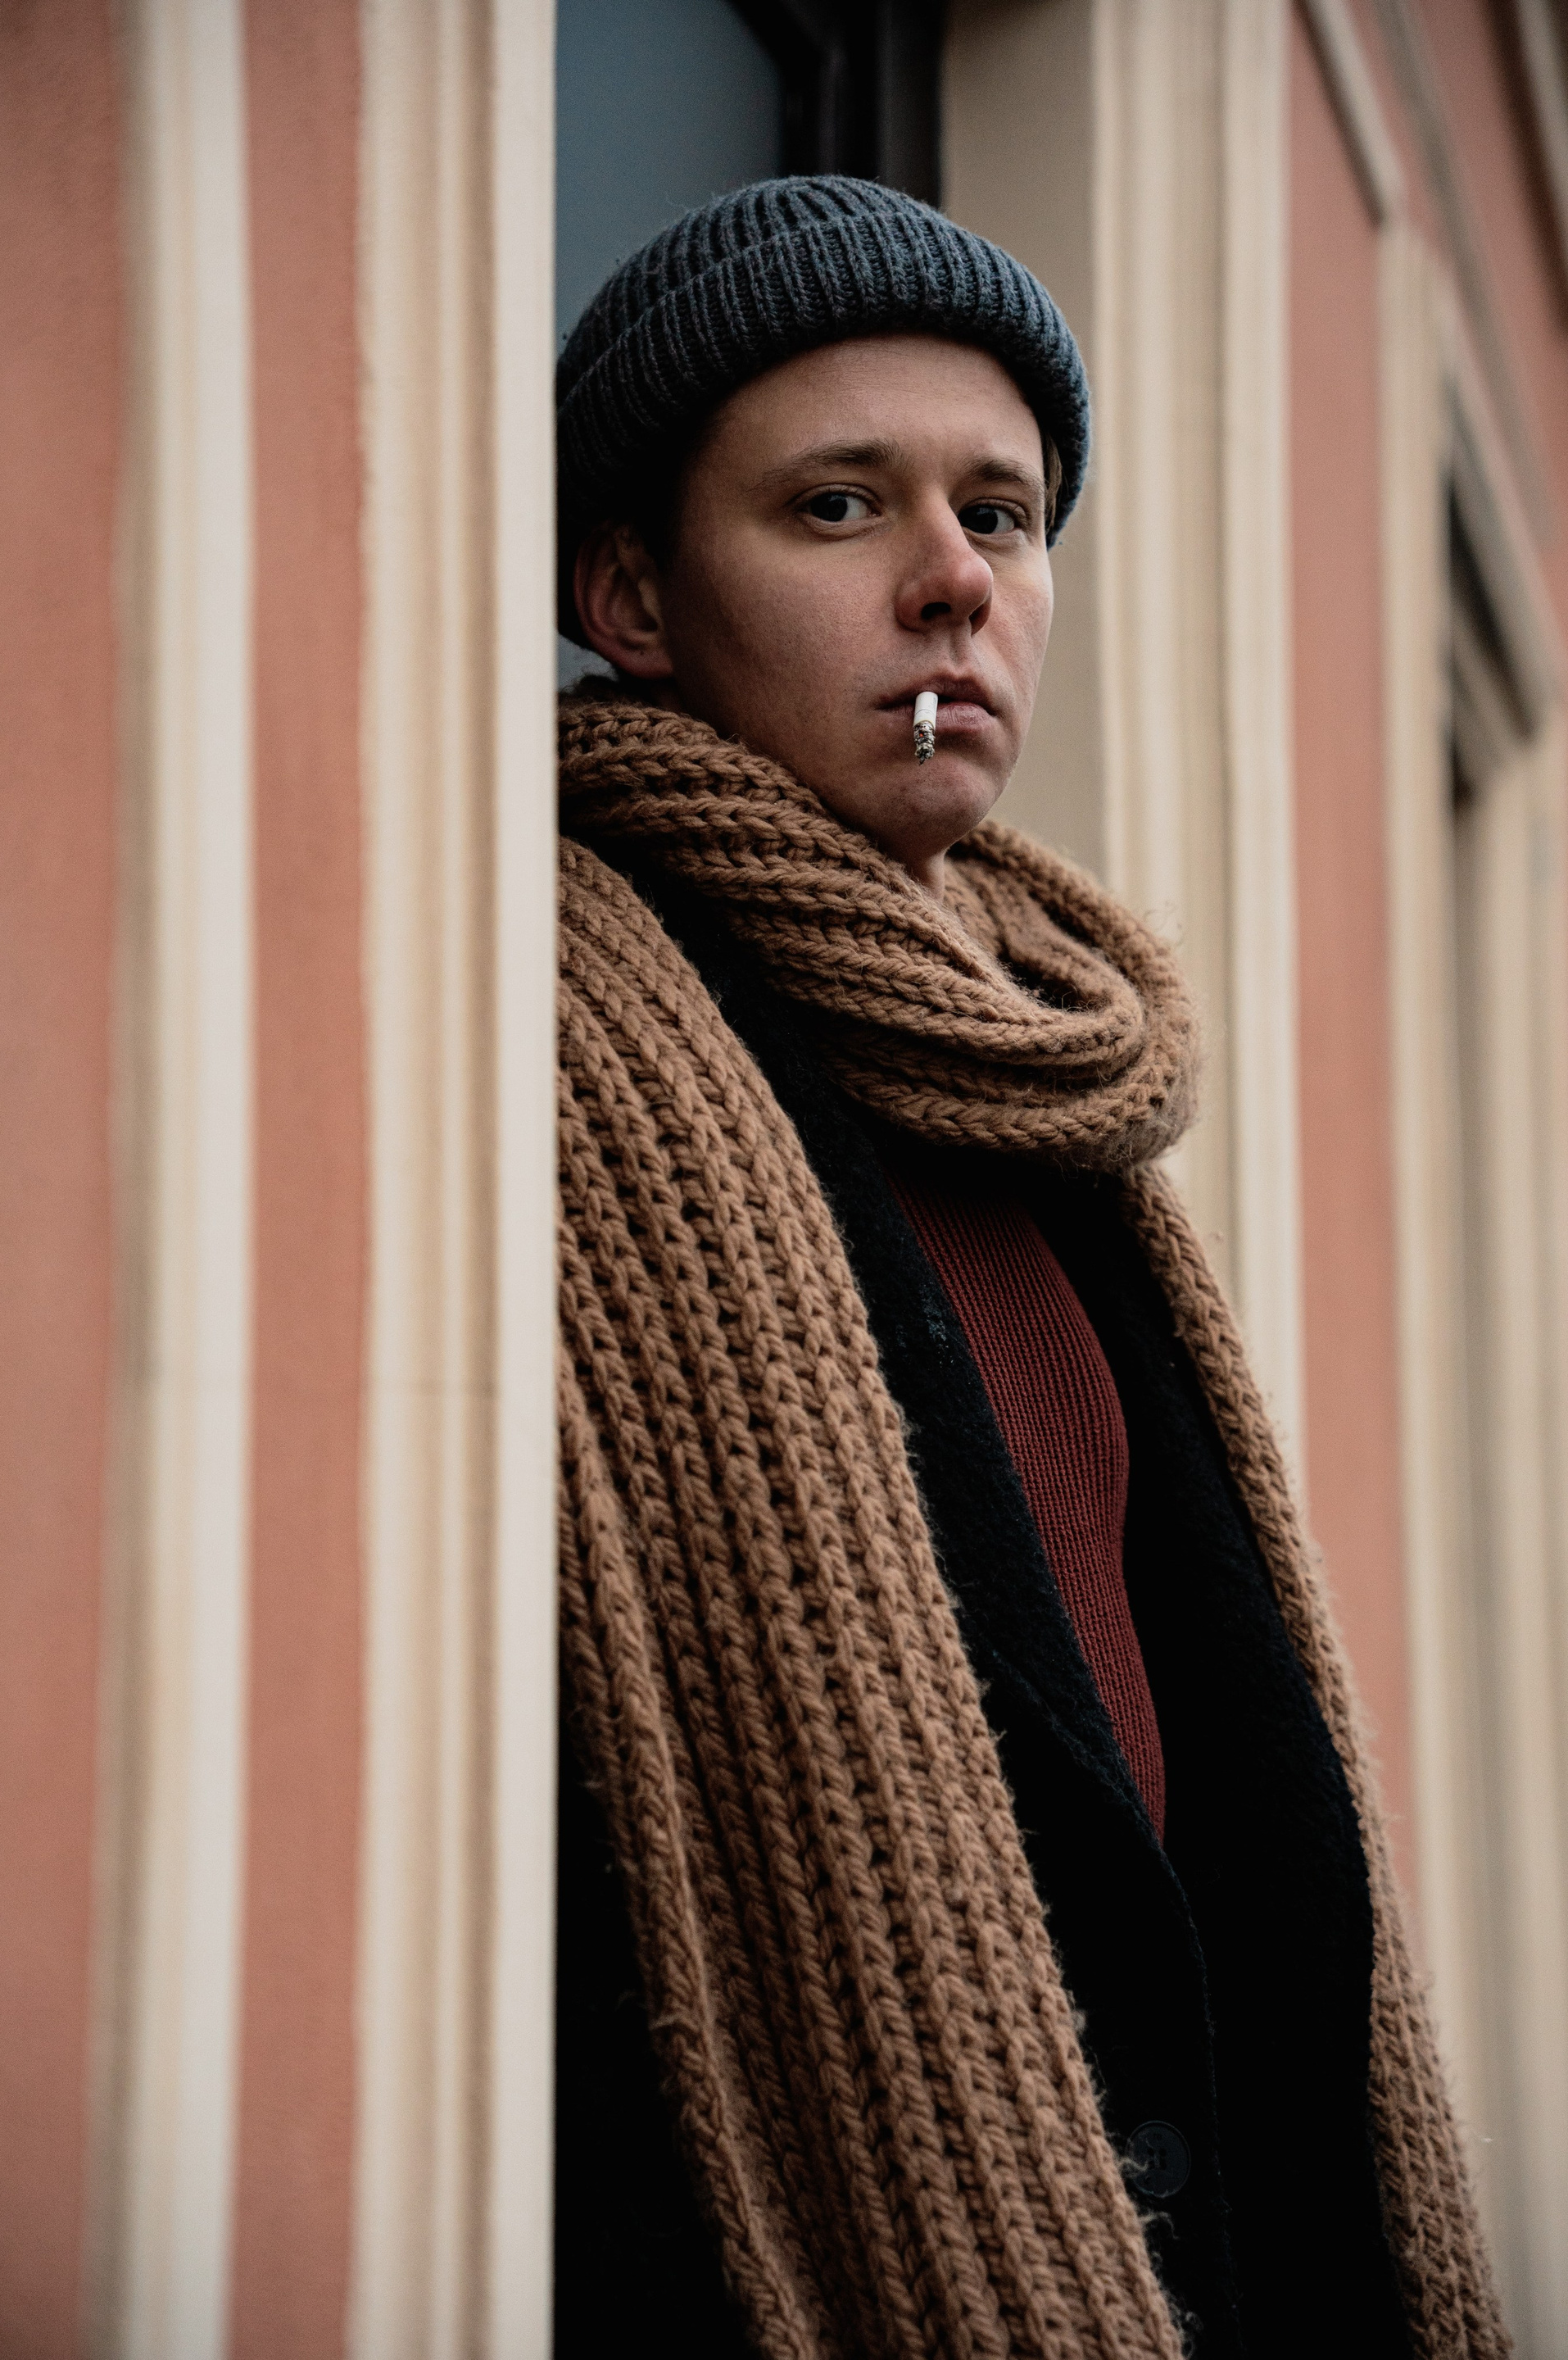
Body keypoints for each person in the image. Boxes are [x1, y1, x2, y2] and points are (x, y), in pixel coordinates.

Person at [552, 176, 1502, 2358]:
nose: (953, 580)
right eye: (838, 505)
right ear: (635, 594)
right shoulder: (551, 1046)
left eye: (1002, 514)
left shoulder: (1057, 1081)